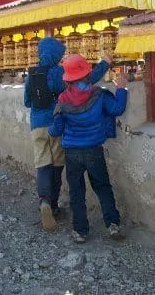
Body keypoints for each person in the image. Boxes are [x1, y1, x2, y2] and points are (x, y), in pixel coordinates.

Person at [24, 37, 111, 231]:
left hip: (36, 126)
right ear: (55, 54)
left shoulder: (31, 74)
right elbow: (84, 80)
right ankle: (54, 207)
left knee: (42, 164)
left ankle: (44, 201)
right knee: (56, 165)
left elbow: (27, 102)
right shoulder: (57, 72)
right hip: (55, 123)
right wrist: (105, 63)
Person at [49, 54, 127, 244]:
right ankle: (112, 224)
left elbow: (55, 130)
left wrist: (52, 124)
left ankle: (80, 231)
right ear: (87, 74)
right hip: (94, 150)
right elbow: (117, 109)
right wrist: (122, 89)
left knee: (76, 192)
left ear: (68, 78)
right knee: (102, 187)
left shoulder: (63, 99)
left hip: (72, 153)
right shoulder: (98, 95)